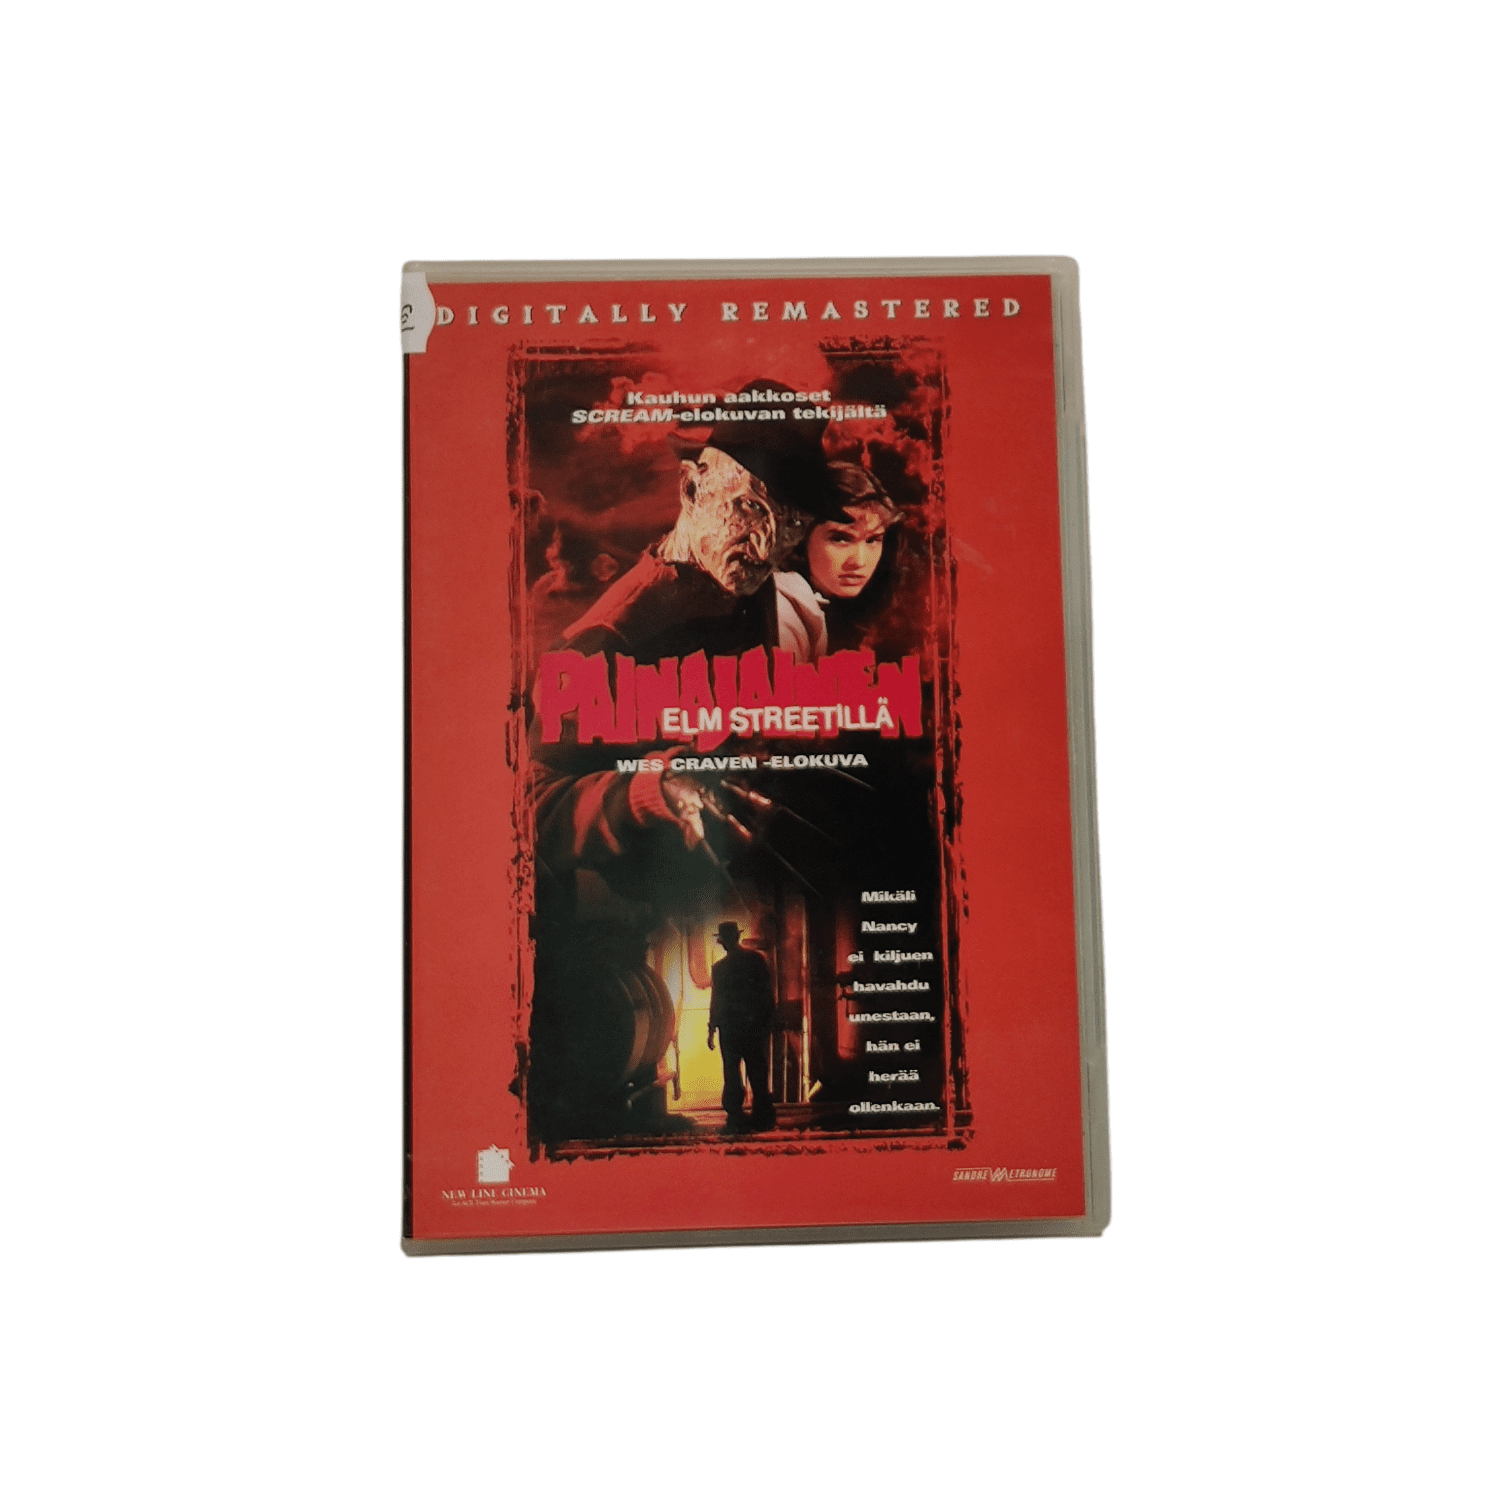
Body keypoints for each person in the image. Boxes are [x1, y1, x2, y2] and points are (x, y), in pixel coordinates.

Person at [527, 388, 837, 1140]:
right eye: (750, 509)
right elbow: (524, 811)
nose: (767, 545)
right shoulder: (604, 637)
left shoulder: (785, 606)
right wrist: (644, 792)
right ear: (692, 487)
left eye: (791, 524)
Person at [773, 461, 900, 662]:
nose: (859, 561)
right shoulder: (784, 608)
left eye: (872, 540)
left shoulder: (809, 603)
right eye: (841, 539)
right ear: (800, 538)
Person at [707, 922, 776, 1132]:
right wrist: (771, 1019)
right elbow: (766, 992)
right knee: (757, 1069)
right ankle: (762, 1115)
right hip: (754, 1025)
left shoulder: (719, 969)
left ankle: (735, 1115)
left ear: (722, 942)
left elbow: (716, 1001)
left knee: (732, 1071)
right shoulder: (756, 960)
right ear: (737, 937)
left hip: (730, 1028)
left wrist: (712, 1028)